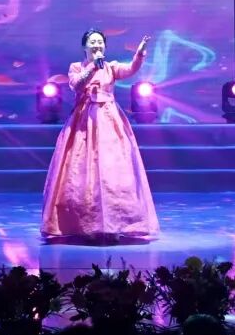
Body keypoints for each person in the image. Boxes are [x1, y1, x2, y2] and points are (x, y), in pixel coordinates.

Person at [40, 29, 159, 242]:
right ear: (84, 47)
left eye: (100, 42)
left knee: (111, 170)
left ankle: (114, 225)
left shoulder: (111, 67)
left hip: (109, 121)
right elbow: (76, 85)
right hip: (83, 122)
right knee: (82, 172)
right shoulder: (77, 67)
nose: (97, 45)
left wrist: (140, 53)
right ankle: (85, 225)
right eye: (92, 42)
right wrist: (94, 65)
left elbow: (131, 69)